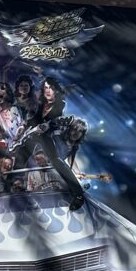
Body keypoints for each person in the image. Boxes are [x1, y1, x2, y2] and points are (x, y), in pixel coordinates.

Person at [12, 76, 85, 207]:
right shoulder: (41, 105)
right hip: (34, 135)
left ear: (56, 90)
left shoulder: (60, 104)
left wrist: (47, 126)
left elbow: (56, 121)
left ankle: (78, 194)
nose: (48, 90)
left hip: (48, 137)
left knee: (56, 161)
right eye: (45, 88)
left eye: (51, 88)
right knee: (21, 154)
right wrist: (24, 126)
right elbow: (34, 119)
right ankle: (14, 185)